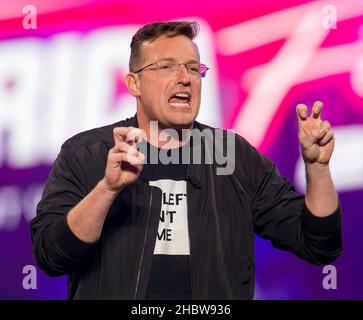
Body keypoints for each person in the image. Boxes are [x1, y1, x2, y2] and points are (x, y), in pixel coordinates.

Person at [30, 21, 342, 300]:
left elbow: (319, 244)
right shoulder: (87, 153)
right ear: (133, 84)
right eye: (166, 67)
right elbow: (51, 256)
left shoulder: (234, 155)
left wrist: (317, 169)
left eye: (194, 69)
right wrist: (107, 191)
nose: (184, 79)